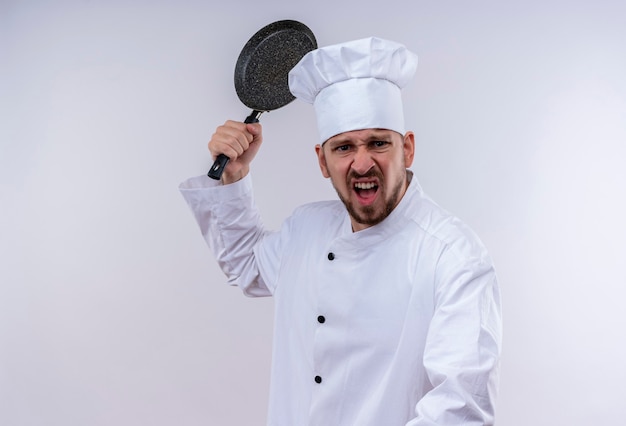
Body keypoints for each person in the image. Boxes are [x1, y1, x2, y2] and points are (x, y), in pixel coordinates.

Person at [180, 37, 502, 425]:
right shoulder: (305, 229)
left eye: (378, 143)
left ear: (408, 149)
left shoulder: (453, 257)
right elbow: (246, 265)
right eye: (344, 147)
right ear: (322, 160)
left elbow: (460, 408)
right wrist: (234, 175)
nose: (362, 163)